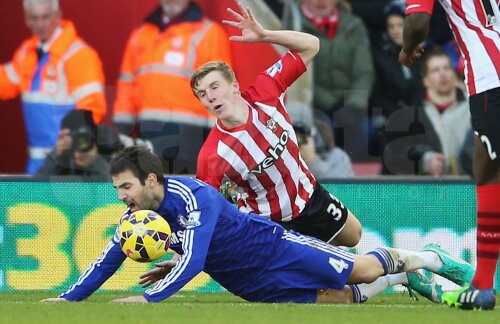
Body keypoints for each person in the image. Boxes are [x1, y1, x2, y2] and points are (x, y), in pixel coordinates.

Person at [40, 145, 473, 304]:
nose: (122, 197)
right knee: (340, 302)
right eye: (118, 190)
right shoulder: (138, 218)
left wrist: (150, 297)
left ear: (151, 180)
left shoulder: (197, 197)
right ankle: (404, 279)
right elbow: (108, 258)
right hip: (245, 283)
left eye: (126, 187)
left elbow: (192, 260)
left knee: (361, 269)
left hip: (274, 248)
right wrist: (68, 299)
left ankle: (430, 259)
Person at [193, 2, 363, 248]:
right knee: (320, 283)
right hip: (268, 225)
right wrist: (182, 256)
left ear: (234, 85)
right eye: (202, 94)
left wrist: (265, 36)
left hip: (309, 196)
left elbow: (311, 46)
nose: (210, 96)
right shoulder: (212, 154)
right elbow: (203, 209)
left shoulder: (266, 90)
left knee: (354, 237)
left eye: (215, 87)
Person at [400, 0, 500, 310]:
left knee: (489, 172)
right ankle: (481, 285)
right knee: (486, 167)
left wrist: (407, 50)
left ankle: (483, 286)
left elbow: (417, 23)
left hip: (491, 76)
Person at [112, 0, 232, 174]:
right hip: (147, 134)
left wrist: (218, 141)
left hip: (192, 141)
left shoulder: (210, 34)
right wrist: (121, 132)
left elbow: (220, 91)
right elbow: (127, 86)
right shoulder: (139, 36)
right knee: (153, 195)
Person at [0, 0, 106, 175]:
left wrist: (77, 141)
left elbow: (92, 107)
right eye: (34, 18)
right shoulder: (27, 52)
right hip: (37, 163)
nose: (40, 24)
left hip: (69, 164)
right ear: (26, 20)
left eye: (45, 17)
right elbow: (5, 81)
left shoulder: (79, 55)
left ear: (57, 16)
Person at [292, 0, 375, 161]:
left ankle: (353, 183)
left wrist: (354, 105)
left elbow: (364, 72)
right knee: (320, 133)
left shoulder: (353, 25)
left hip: (349, 105)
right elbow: (299, 76)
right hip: (312, 105)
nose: (321, 1)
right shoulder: (293, 25)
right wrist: (333, 104)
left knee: (364, 129)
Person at [383, 48, 473, 176]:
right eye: (436, 70)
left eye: (447, 68)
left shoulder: (474, 108)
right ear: (425, 80)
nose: (443, 74)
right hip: (429, 190)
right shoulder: (409, 116)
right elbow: (393, 154)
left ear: (454, 74)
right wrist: (424, 160)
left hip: (471, 187)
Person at [34, 110, 113, 180]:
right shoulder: (59, 160)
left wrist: (92, 163)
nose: (80, 144)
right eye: (75, 139)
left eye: (85, 139)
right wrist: (55, 156)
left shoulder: (100, 163)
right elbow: (35, 191)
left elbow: (107, 190)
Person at [286, 102, 355, 179]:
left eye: (302, 134)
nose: (297, 140)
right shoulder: (276, 155)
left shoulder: (336, 156)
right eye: (292, 134)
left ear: (313, 133)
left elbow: (344, 188)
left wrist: (312, 160)